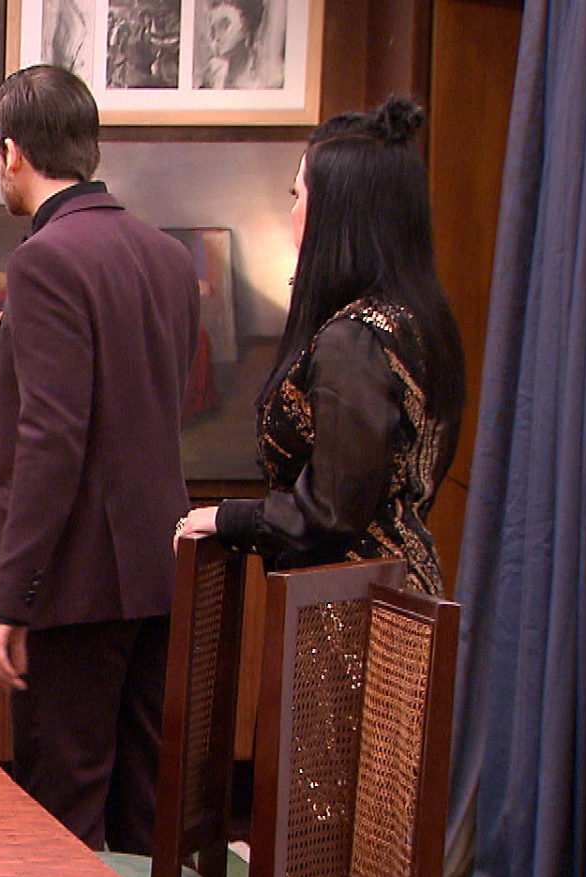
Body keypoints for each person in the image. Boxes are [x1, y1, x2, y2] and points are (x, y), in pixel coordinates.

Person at [0, 66, 199, 852]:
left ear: (11, 152)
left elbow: (54, 436)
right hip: (155, 575)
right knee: (141, 816)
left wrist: (8, 601)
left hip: (72, 588)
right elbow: (127, 423)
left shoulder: (45, 259)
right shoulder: (167, 255)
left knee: (64, 825)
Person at [174, 98, 464, 596]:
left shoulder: (354, 341)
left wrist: (227, 518)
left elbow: (329, 511)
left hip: (357, 608)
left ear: (335, 212)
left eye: (298, 195)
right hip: (389, 593)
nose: (292, 211)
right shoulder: (413, 319)